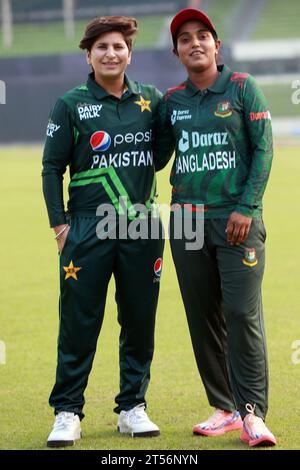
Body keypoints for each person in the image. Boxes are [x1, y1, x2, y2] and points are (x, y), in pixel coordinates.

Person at [155, 8, 276, 447]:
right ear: (177, 52)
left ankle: (252, 414)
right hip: (186, 221)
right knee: (203, 318)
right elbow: (156, 155)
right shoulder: (172, 101)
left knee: (242, 313)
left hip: (236, 219)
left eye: (202, 36)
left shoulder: (243, 88)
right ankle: (224, 407)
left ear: (217, 45)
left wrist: (247, 207)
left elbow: (264, 152)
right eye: (185, 39)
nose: (195, 43)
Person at [42, 16, 164, 447]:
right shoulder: (71, 103)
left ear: (129, 53)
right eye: (102, 48)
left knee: (139, 321)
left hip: (142, 227)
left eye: (118, 47)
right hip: (87, 228)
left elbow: (163, 153)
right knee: (79, 322)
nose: (111, 53)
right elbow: (52, 167)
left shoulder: (150, 99)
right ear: (88, 55)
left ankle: (132, 407)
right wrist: (60, 225)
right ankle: (67, 411)